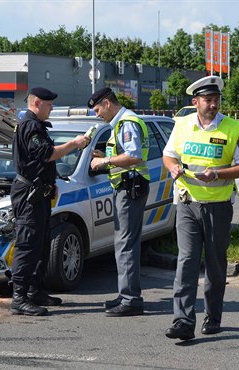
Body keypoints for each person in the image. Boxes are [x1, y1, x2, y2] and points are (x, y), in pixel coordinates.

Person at [162, 76, 239, 340]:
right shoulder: (181, 125)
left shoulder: (232, 128)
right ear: (195, 102)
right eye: (208, 100)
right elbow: (169, 155)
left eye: (216, 100)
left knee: (215, 265)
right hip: (187, 204)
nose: (214, 105)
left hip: (218, 207)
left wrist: (217, 174)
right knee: (187, 262)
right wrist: (173, 167)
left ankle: (213, 317)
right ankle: (182, 321)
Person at [10, 87, 90, 316]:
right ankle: (19, 297)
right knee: (28, 244)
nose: (52, 108)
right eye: (49, 104)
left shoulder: (35, 125)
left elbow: (40, 163)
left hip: (39, 191)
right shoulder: (30, 125)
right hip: (28, 194)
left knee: (42, 243)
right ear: (37, 103)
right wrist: (74, 144)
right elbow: (47, 154)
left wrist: (50, 181)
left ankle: (34, 291)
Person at [88, 87, 150, 317]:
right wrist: (102, 156)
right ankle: (126, 294)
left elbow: (134, 156)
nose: (96, 115)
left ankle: (131, 299)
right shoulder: (121, 124)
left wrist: (103, 162)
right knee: (124, 243)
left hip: (129, 187)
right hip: (127, 187)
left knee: (125, 244)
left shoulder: (126, 124)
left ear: (106, 103)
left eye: (97, 110)